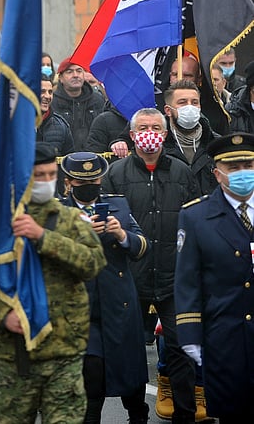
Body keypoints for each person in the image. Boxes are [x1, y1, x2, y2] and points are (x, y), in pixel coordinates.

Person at [0, 143, 106, 423]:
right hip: (13, 357)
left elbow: (93, 263)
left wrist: (44, 238)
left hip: (63, 353)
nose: (47, 182)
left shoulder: (70, 220)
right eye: (40, 176)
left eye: (51, 175)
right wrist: (0, 314)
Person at [100, 108, 200, 423]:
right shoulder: (115, 173)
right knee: (130, 353)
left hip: (174, 278)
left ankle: (185, 413)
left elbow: (194, 220)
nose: (149, 132)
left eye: (156, 127)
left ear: (165, 133)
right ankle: (137, 414)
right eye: (142, 127)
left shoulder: (183, 172)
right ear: (131, 135)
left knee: (181, 349)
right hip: (131, 278)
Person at [59, 152, 150, 423]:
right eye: (80, 181)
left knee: (132, 381)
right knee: (91, 378)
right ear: (68, 183)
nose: (90, 185)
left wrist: (122, 235)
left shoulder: (118, 206)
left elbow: (142, 246)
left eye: (95, 179)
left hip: (119, 304)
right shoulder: (57, 212)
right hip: (81, 309)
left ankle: (139, 417)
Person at [175, 133, 254, 422]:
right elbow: (187, 281)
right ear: (217, 173)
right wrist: (190, 336)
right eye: (234, 167)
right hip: (225, 336)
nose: (243, 172)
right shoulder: (196, 216)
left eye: (249, 164)